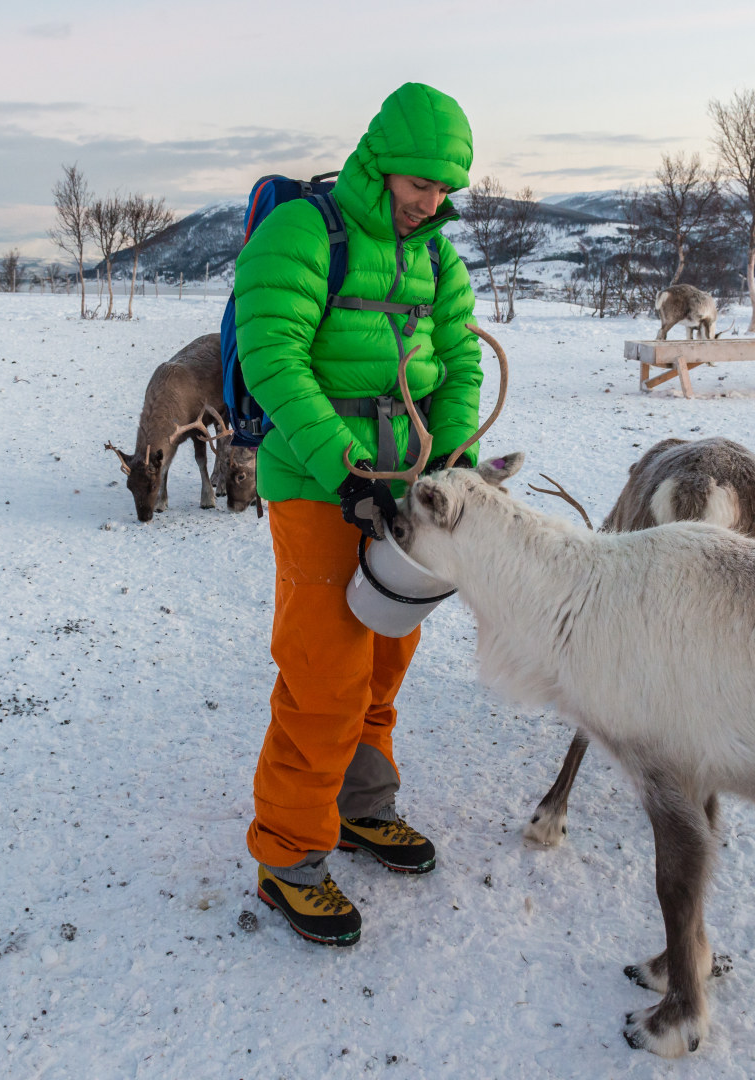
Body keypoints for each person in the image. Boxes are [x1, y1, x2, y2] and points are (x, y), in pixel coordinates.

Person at [234, 82, 484, 946]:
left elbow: (458, 362)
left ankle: (362, 804)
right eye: (421, 184)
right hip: (315, 482)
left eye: (446, 189)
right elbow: (272, 356)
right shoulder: (302, 234)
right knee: (324, 669)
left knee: (386, 654)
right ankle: (289, 853)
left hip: (404, 482)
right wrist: (345, 469)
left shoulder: (439, 258)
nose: (432, 203)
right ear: (380, 162)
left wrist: (449, 463)